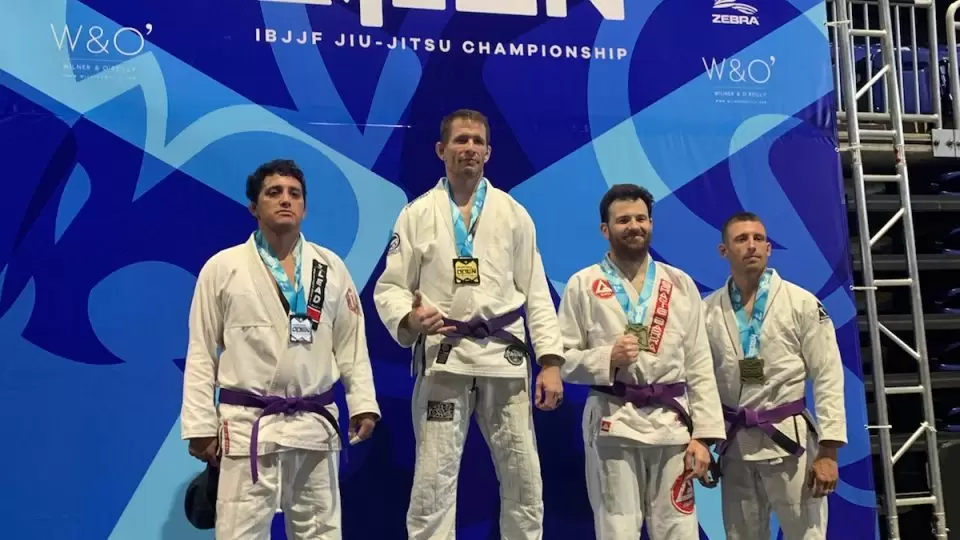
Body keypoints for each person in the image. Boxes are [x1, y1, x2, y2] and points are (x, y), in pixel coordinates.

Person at [372, 109, 565, 540]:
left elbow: (536, 291)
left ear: (489, 152)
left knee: (524, 479)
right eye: (460, 140)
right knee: (432, 483)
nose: (470, 149)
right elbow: (390, 287)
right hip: (446, 359)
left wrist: (551, 361)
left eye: (477, 141)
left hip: (504, 358)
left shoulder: (514, 214)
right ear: (441, 150)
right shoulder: (417, 214)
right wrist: (410, 318)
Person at [180, 158, 381, 540]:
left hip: (314, 425)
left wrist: (363, 403)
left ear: (304, 207)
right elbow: (201, 351)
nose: (285, 200)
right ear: (254, 207)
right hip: (248, 425)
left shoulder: (330, 267)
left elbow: (352, 343)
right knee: (240, 533)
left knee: (320, 533)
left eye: (294, 194)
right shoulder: (222, 268)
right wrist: (200, 425)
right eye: (274, 193)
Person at [556, 183, 726, 540]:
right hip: (613, 422)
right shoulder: (583, 284)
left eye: (641, 218)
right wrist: (607, 358)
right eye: (623, 220)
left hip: (672, 426)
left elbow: (699, 364)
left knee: (679, 530)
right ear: (605, 229)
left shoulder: (679, 283)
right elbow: (564, 361)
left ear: (651, 224)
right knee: (616, 529)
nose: (634, 226)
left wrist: (704, 436)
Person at [704, 211, 846, 540]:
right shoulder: (706, 310)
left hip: (790, 442)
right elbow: (698, 382)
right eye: (741, 239)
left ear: (769, 248)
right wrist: (702, 439)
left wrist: (829, 451)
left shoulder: (802, 303)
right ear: (724, 251)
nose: (751, 245)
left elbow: (828, 376)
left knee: (806, 535)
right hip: (735, 446)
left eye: (758, 239)